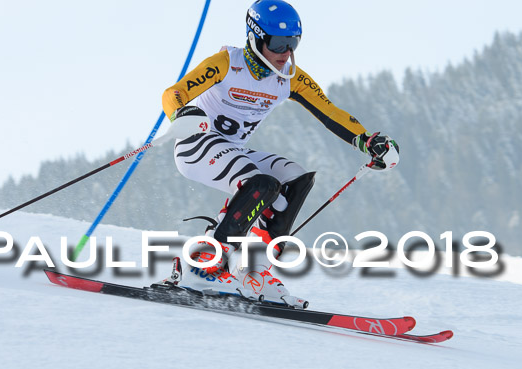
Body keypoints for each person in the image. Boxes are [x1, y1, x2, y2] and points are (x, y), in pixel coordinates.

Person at [161, 0, 399, 301]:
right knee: (262, 184)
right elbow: (173, 93)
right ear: (255, 37)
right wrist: (180, 115)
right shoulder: (226, 63)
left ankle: (254, 271)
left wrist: (367, 140)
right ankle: (206, 262)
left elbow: (329, 111)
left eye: (293, 43)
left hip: (232, 150)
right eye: (278, 43)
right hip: (196, 147)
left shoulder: (290, 77)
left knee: (295, 180)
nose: (286, 52)